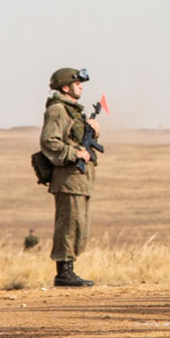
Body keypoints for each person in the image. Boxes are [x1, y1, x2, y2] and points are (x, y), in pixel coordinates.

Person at [40, 67, 99, 288]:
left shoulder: (72, 111)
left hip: (79, 179)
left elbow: (73, 137)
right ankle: (63, 273)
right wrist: (76, 154)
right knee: (68, 224)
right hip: (68, 177)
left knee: (78, 225)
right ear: (66, 87)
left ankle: (69, 270)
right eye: (77, 84)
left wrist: (92, 131)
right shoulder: (57, 110)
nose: (81, 87)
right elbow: (50, 141)